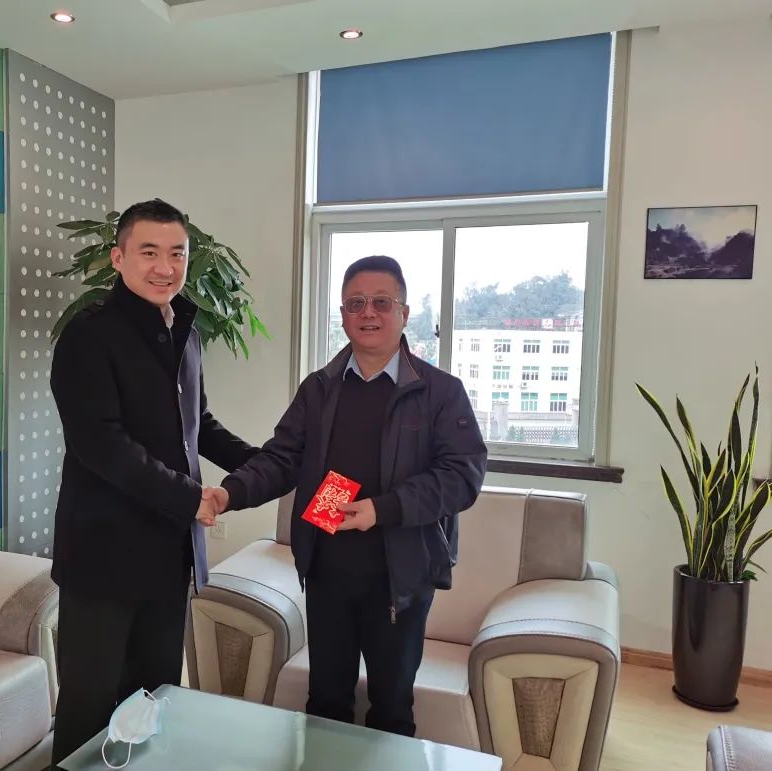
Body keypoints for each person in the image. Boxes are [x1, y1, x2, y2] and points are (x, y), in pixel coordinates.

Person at [210, 255, 487, 737]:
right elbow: (282, 458)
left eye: (381, 302)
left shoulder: (441, 392)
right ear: (342, 315)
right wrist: (228, 493)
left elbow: (463, 475)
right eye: (356, 303)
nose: (368, 312)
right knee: (326, 703)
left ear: (404, 313)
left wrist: (382, 509)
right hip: (328, 572)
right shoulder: (319, 388)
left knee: (392, 709)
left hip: (400, 576)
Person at [48, 199, 256, 766]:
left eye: (177, 254)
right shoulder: (89, 335)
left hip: (168, 555)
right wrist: (191, 498)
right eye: (149, 252)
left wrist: (264, 465)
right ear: (118, 258)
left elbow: (197, 425)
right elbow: (102, 446)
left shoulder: (185, 330)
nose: (165, 267)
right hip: (102, 558)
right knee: (90, 706)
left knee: (153, 698)